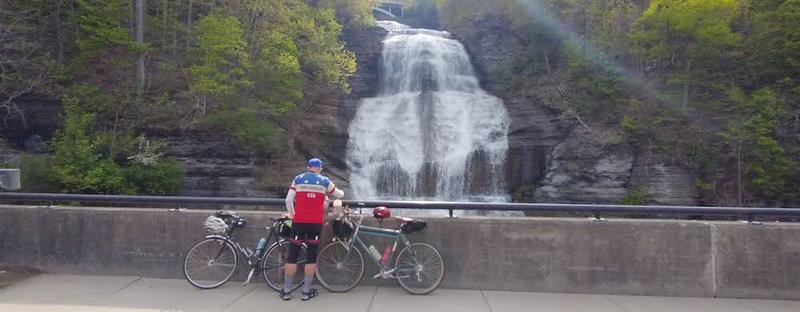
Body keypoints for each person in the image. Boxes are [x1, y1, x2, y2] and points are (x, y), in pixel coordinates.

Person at [281, 157, 344, 301]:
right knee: (311, 258)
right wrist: (326, 196)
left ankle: (286, 292)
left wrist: (292, 214)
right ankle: (305, 292)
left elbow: (288, 200)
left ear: (308, 167)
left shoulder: (298, 179)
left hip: (299, 222)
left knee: (292, 257)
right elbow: (340, 194)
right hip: (315, 224)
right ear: (320, 168)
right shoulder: (324, 181)